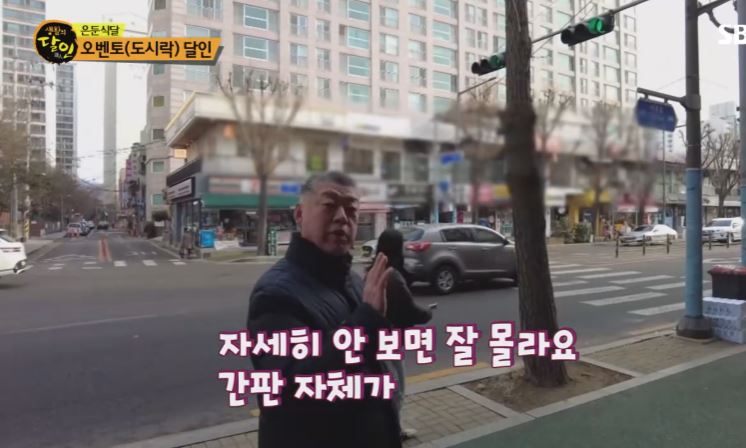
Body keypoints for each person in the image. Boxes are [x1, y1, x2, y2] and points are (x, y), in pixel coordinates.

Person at [247, 171, 402, 448]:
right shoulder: (274, 295)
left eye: (351, 210)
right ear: (299, 215)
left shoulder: (353, 280)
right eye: (330, 205)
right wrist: (367, 321)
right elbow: (292, 390)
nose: (342, 218)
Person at [371, 229, 433, 441]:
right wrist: (428, 313)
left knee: (391, 386)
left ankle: (391, 428)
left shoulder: (374, 270)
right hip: (388, 339)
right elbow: (409, 309)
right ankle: (393, 432)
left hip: (378, 336)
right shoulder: (393, 276)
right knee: (397, 387)